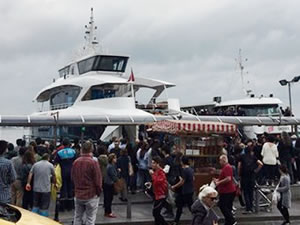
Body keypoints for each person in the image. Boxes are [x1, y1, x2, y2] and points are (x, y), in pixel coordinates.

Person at [71, 141, 102, 225]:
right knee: (90, 218)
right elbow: (98, 180)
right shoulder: (93, 162)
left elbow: (72, 178)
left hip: (78, 194)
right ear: (91, 149)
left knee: (77, 217)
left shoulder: (76, 162)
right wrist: (98, 192)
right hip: (91, 194)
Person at [238, 142, 263, 214]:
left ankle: (248, 208)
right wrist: (256, 171)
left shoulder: (241, 157)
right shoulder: (253, 157)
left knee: (245, 192)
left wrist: (239, 174)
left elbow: (239, 166)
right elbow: (261, 164)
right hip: (252, 175)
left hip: (244, 176)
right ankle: (251, 206)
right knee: (251, 192)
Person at [213, 154, 236, 225]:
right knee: (228, 207)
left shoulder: (227, 167)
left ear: (223, 160)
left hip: (227, 191)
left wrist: (219, 182)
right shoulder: (226, 167)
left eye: (220, 160)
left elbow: (228, 178)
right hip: (227, 190)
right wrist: (218, 180)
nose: (219, 162)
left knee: (223, 206)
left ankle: (231, 220)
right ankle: (228, 222)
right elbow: (225, 177)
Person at [54, 138, 76, 211]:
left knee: (63, 188)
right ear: (69, 144)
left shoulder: (60, 152)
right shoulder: (73, 151)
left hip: (63, 171)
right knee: (71, 188)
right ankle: (70, 206)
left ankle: (62, 206)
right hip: (71, 171)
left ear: (63, 144)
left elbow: (56, 162)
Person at [172, 156, 194, 225]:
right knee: (190, 206)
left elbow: (182, 182)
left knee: (180, 207)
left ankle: (176, 221)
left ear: (182, 162)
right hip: (190, 190)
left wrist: (174, 186)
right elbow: (193, 178)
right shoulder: (191, 169)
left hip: (185, 191)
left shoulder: (185, 170)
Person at [150, 156, 168, 225]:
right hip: (157, 195)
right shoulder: (156, 172)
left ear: (158, 164)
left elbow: (158, 181)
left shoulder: (161, 172)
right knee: (156, 213)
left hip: (161, 195)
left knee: (156, 213)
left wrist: (152, 175)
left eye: (154, 163)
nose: (152, 165)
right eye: (152, 163)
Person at [103, 153, 118, 218]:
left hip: (106, 183)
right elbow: (113, 176)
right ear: (112, 159)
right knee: (109, 198)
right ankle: (108, 212)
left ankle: (107, 212)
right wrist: (117, 180)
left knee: (107, 198)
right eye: (115, 158)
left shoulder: (109, 166)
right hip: (109, 184)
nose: (116, 159)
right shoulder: (111, 166)